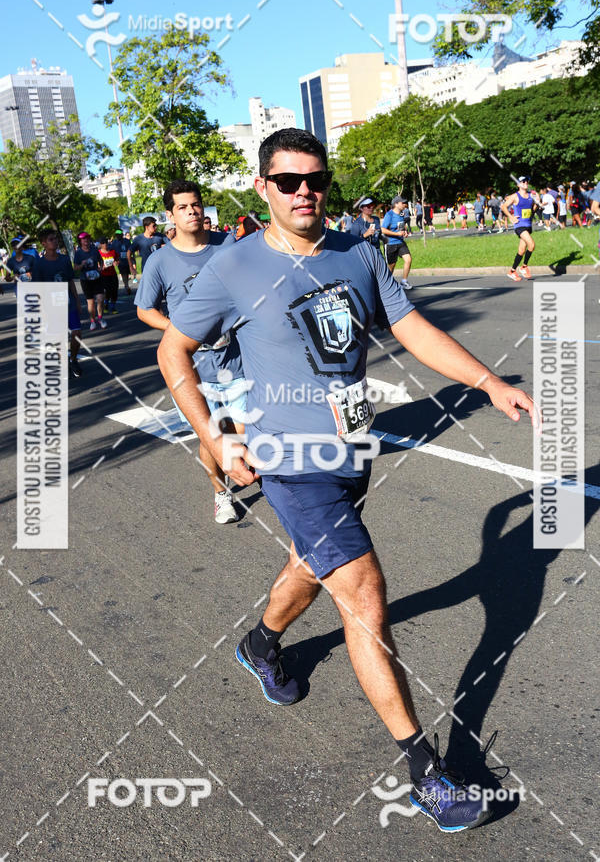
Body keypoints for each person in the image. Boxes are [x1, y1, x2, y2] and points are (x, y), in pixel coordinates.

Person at [157, 127, 538, 833]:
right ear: (262, 187)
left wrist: (486, 381)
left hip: (351, 453)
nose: (306, 192)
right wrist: (215, 433)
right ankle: (426, 771)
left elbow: (411, 326)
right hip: (287, 463)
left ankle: (262, 644)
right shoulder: (232, 267)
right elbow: (172, 350)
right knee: (361, 588)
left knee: (313, 563)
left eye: (317, 180)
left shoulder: (358, 251)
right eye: (290, 180)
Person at [135, 179, 245, 524]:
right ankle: (221, 494)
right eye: (182, 207)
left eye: (195, 204)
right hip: (194, 369)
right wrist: (180, 332)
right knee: (212, 436)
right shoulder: (160, 261)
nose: (192, 211)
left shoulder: (227, 245)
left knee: (242, 431)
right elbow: (144, 309)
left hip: (240, 359)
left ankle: (255, 474)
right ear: (170, 215)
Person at [34, 229, 83, 377]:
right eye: (50, 239)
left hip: (69, 304)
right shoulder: (39, 264)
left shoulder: (64, 260)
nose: (54, 241)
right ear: (43, 243)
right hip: (52, 308)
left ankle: (73, 359)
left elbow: (70, 281)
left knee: (77, 333)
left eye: (55, 239)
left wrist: (77, 300)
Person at [501, 176, 538, 282]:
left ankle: (512, 271)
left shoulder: (531, 196)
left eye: (527, 181)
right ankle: (524, 267)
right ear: (518, 184)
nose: (526, 183)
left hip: (528, 225)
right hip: (519, 226)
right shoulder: (514, 196)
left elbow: (532, 209)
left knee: (521, 251)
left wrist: (537, 203)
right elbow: (503, 207)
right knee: (532, 244)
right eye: (523, 181)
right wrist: (511, 217)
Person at [73, 232, 106, 330]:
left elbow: (101, 260)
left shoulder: (94, 250)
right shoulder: (78, 253)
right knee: (90, 302)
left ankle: (100, 318)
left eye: (87, 238)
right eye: (83, 239)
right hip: (85, 280)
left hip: (96, 278)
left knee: (100, 299)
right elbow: (75, 267)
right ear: (80, 241)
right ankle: (92, 321)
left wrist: (101, 268)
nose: (86, 240)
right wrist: (82, 264)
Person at [381, 195, 413, 289]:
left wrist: (405, 233)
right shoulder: (389, 215)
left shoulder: (402, 214)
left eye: (405, 203)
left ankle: (404, 281)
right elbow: (383, 230)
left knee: (408, 259)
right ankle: (386, 285)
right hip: (390, 243)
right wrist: (396, 234)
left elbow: (402, 227)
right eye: (402, 203)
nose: (404, 204)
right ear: (396, 204)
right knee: (391, 267)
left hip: (400, 242)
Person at [98, 237, 120, 314]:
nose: (105, 244)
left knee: (114, 291)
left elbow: (117, 258)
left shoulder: (112, 252)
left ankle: (113, 307)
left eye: (106, 243)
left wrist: (116, 262)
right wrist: (101, 267)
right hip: (103, 275)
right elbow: (96, 264)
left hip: (112, 274)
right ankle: (106, 304)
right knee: (106, 291)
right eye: (103, 243)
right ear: (100, 244)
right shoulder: (98, 253)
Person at [111, 228, 134, 294]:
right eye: (117, 235)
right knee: (123, 273)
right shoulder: (114, 242)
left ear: (122, 234)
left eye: (119, 234)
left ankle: (126, 284)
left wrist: (132, 258)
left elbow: (131, 249)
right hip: (120, 261)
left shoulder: (127, 241)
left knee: (126, 273)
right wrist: (114, 260)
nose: (118, 236)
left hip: (127, 260)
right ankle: (126, 286)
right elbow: (111, 250)